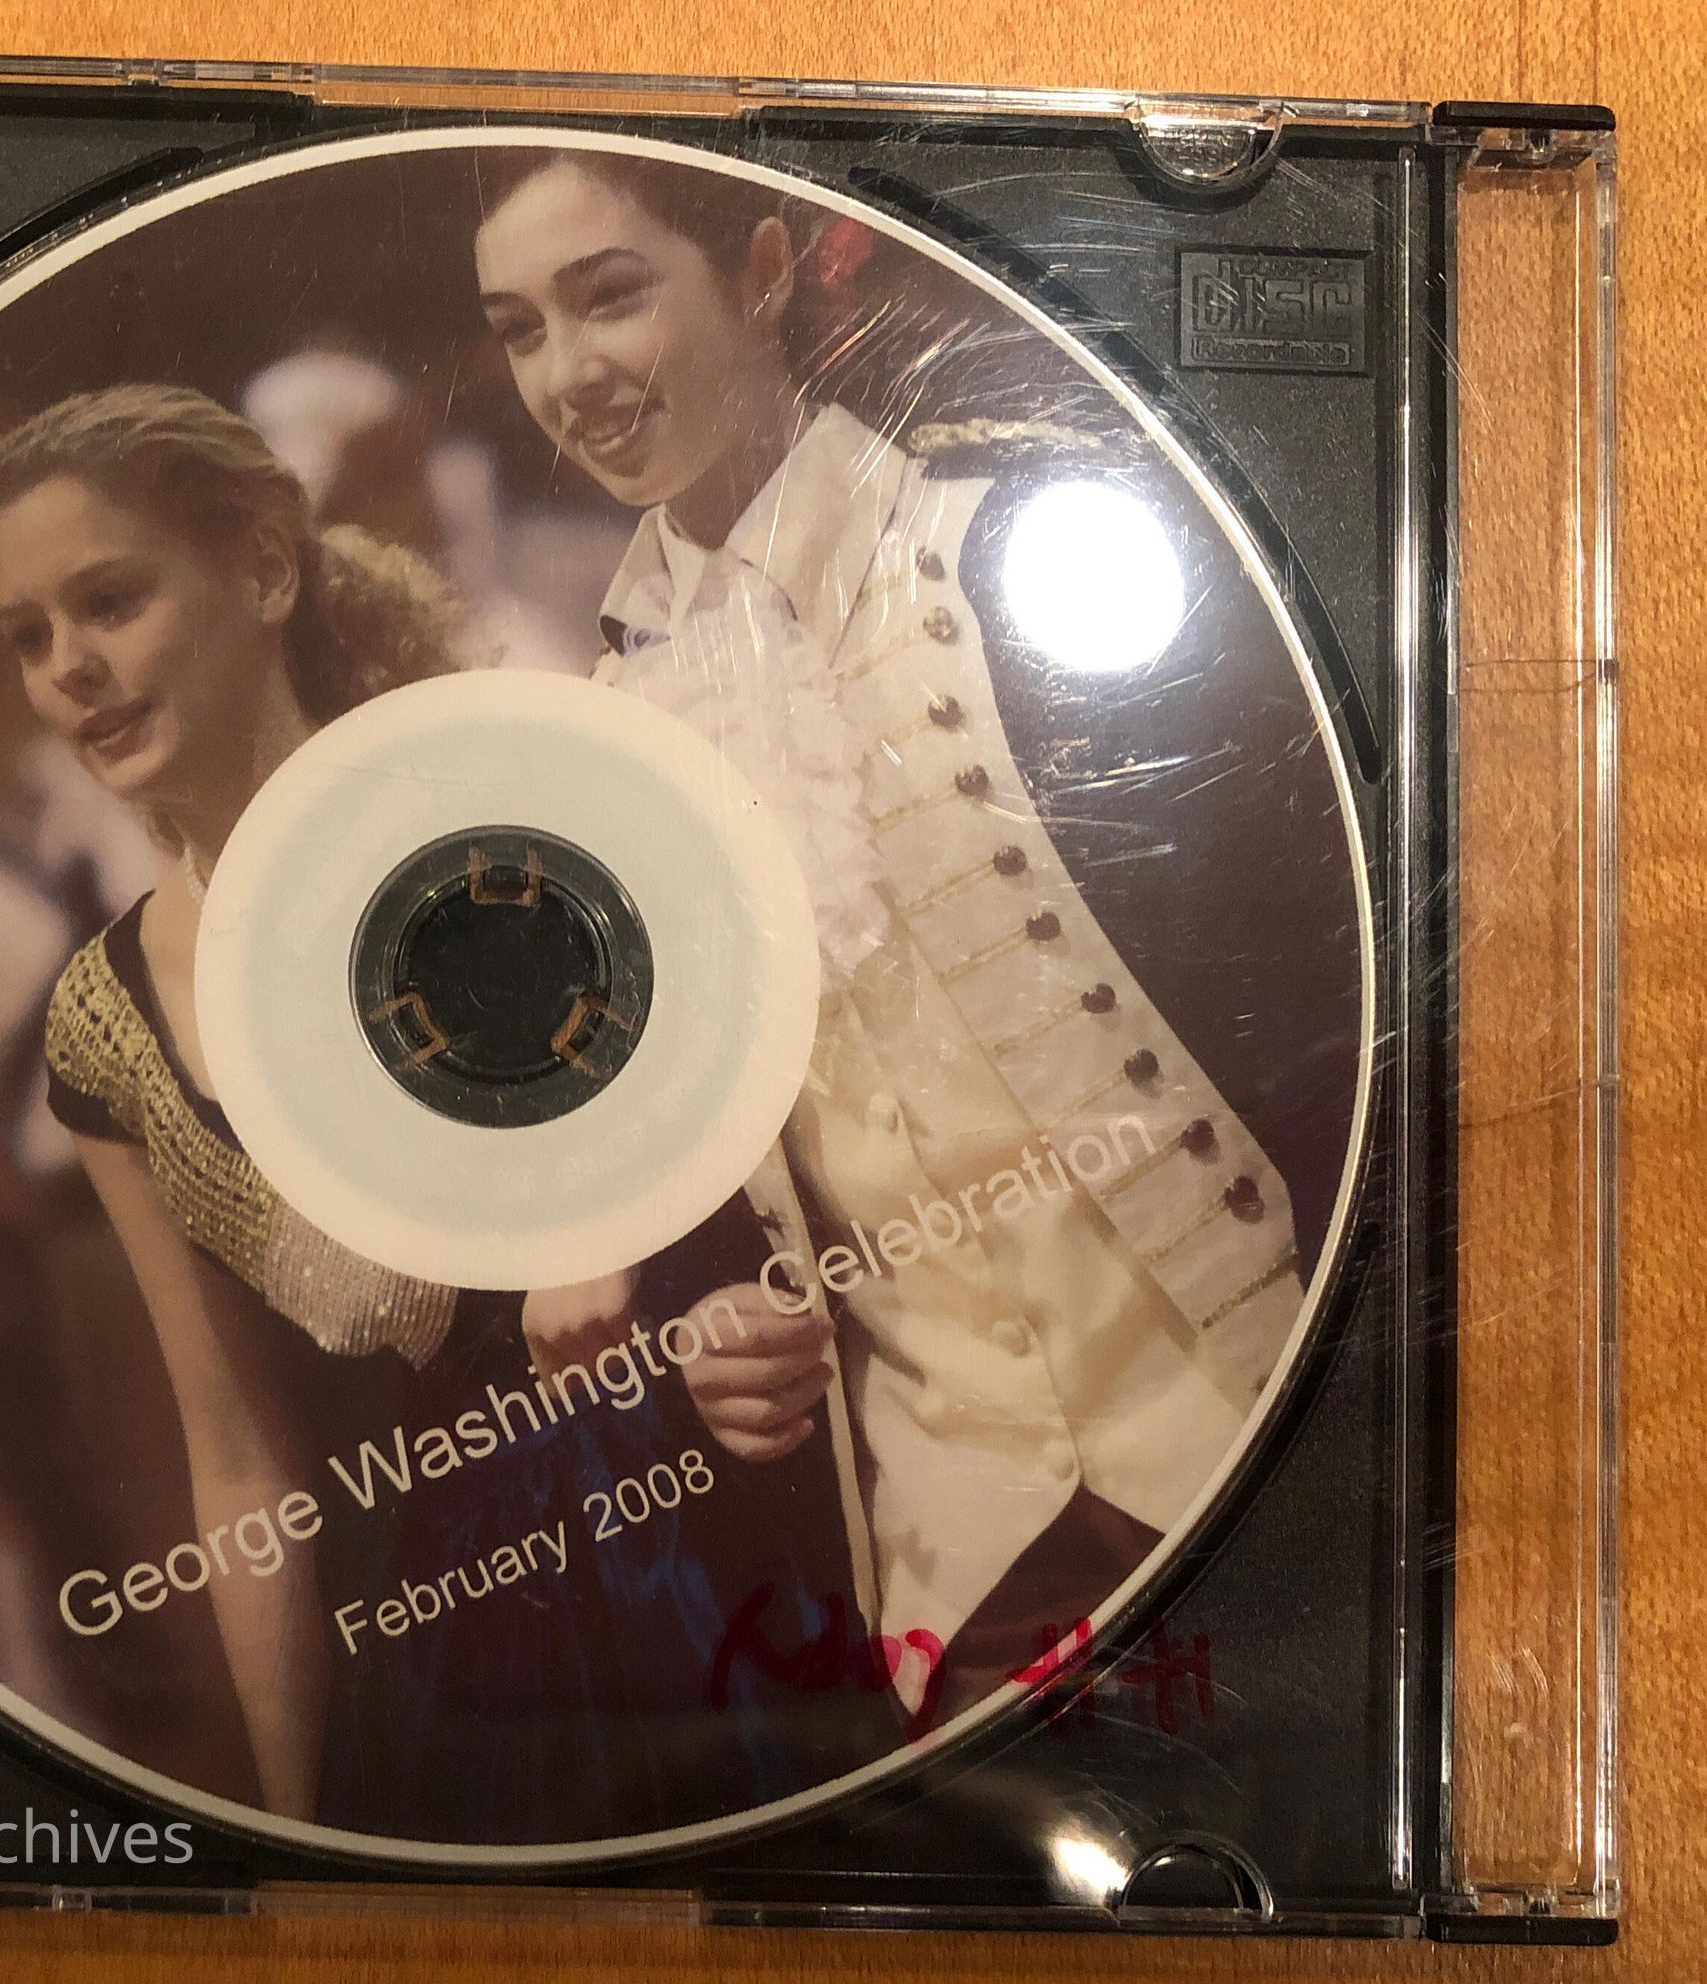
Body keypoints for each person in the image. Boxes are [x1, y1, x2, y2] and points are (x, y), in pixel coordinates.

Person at [474, 146, 1332, 1725]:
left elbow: (1303, 983)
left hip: (1247, 1423)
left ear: (762, 273)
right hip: (958, 1553)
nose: (569, 372)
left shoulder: (1003, 550)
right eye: (521, 329)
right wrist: (715, 1329)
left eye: (611, 297)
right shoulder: (607, 725)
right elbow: (740, 1164)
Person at [0, 382, 872, 1842]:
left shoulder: (517, 799)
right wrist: (294, 1834)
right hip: (466, 1623)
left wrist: (732, 1312)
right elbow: (239, 1467)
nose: (72, 666)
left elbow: (784, 1162)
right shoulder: (108, 1023)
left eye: (112, 601)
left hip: (722, 1546)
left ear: (265, 573)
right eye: (29, 635)